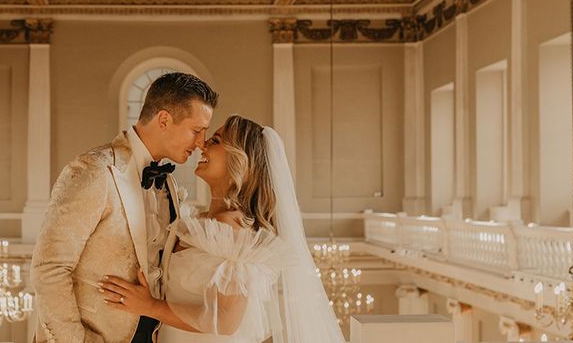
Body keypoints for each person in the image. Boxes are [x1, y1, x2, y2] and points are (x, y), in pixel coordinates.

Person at [98, 115, 346, 343]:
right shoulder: (200, 221)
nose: (202, 145)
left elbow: (227, 320)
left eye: (215, 140)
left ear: (239, 159)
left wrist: (149, 306)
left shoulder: (233, 230)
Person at [30, 72, 218, 343]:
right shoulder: (95, 170)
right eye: (197, 130)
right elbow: (49, 268)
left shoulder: (170, 186)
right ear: (164, 119)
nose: (201, 142)